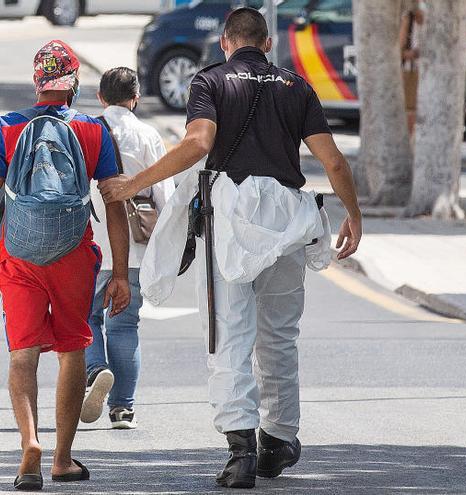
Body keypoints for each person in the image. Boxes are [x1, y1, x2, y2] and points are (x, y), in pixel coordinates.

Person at [99, 8, 362, 489]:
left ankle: (241, 453)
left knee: (229, 336)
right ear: (266, 44)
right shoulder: (295, 86)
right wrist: (354, 216)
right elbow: (334, 161)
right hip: (287, 221)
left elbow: (199, 143)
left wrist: (133, 183)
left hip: (231, 226)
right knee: (279, 336)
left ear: (224, 42)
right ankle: (278, 440)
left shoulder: (211, 81)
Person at [0, 40, 130, 491]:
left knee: (23, 353)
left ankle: (29, 445)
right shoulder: (94, 130)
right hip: (74, 253)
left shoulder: (6, 128)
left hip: (17, 256)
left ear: (38, 84)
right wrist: (119, 272)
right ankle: (62, 458)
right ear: (72, 84)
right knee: (73, 349)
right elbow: (114, 202)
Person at [79, 67, 176, 430]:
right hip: (135, 247)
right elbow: (164, 192)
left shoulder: (87, 130)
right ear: (134, 98)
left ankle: (96, 369)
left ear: (101, 97)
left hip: (91, 243)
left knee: (85, 318)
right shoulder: (149, 134)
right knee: (126, 326)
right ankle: (123, 409)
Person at [399, 0, 425, 136]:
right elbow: (400, 50)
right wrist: (413, 54)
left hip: (425, 72)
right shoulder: (407, 18)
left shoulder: (433, 19)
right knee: (410, 111)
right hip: (412, 70)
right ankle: (409, 142)